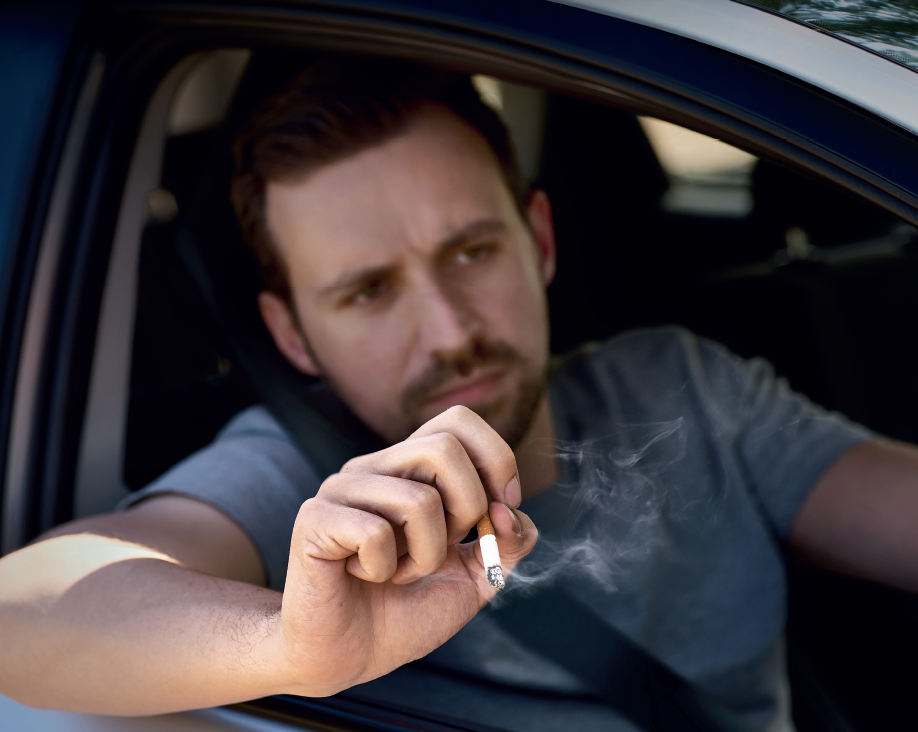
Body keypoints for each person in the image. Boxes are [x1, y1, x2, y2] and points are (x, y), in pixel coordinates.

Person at [3, 58, 918, 732]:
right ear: (292, 335)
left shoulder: (684, 385)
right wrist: (290, 646)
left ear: (541, 241)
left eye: (471, 252)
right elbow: (24, 614)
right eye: (369, 292)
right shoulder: (304, 484)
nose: (448, 330)